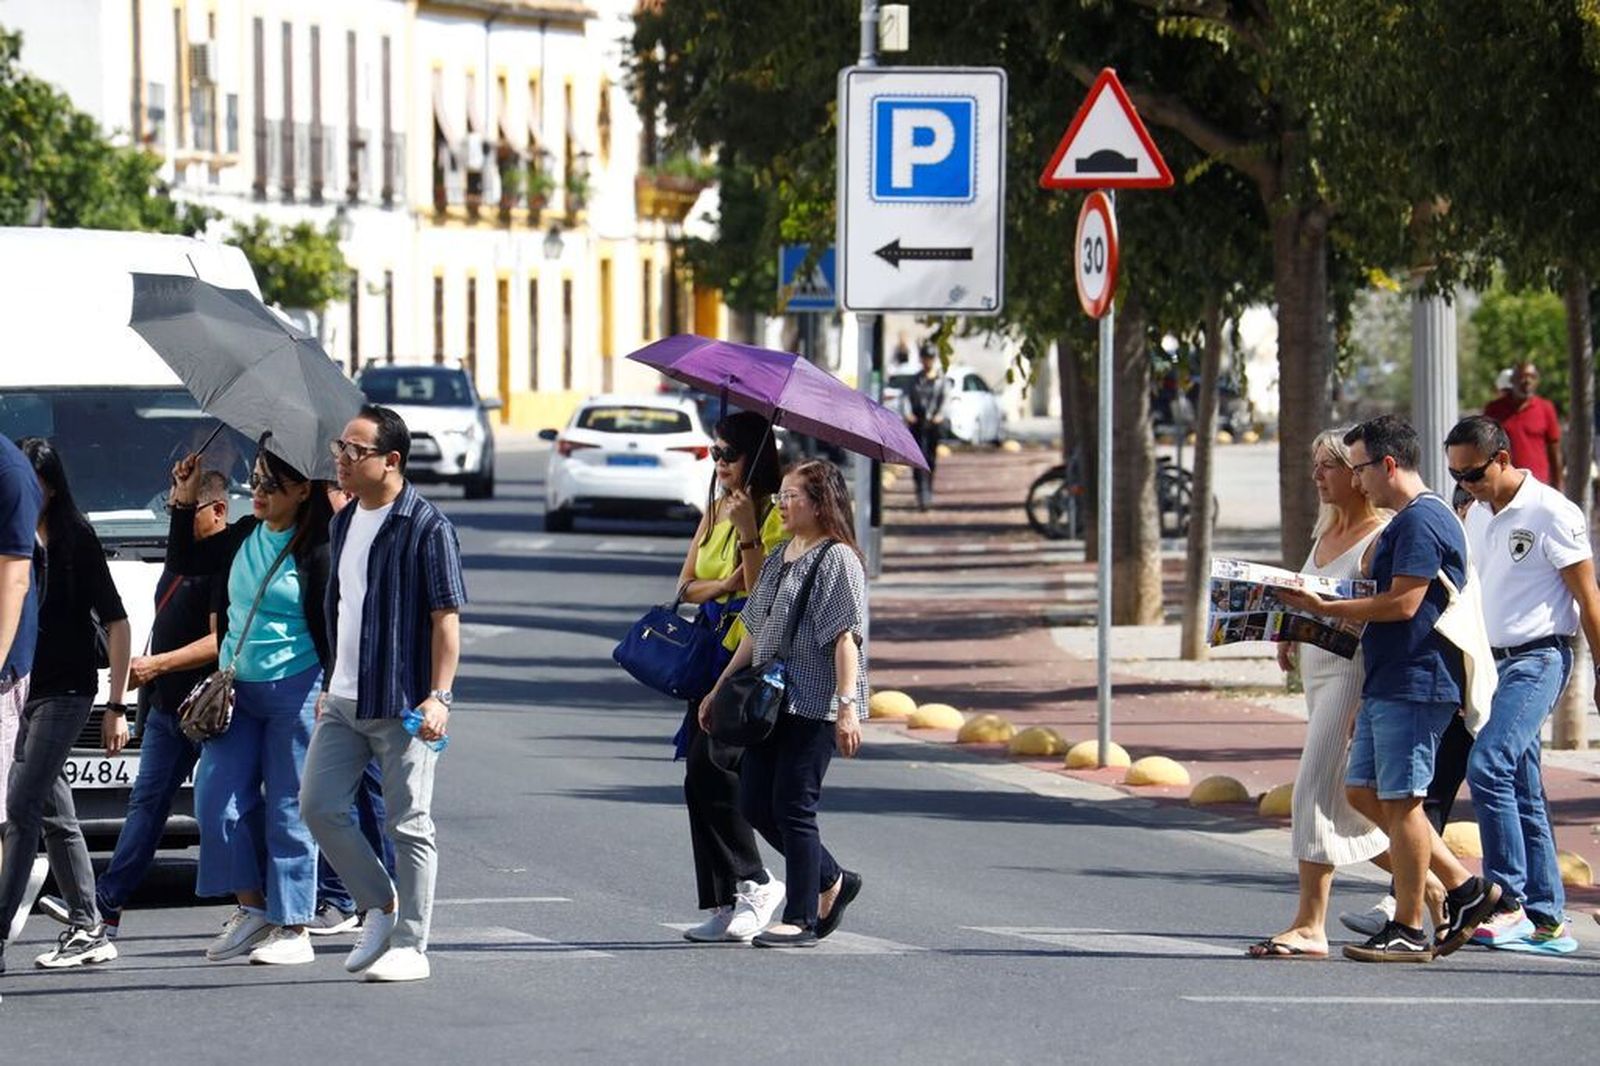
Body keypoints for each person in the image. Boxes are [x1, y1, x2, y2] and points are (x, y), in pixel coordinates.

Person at [1277, 415, 1502, 962]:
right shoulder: (1408, 521)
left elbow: (1404, 604)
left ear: (1389, 465)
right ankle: (1464, 889)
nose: (1357, 480)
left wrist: (1327, 608)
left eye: (1359, 469)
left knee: (1401, 802)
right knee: (1361, 794)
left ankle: (1407, 925)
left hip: (1416, 681)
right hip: (1387, 679)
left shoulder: (1421, 521)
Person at [300, 405, 466, 983]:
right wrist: (330, 683)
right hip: (344, 698)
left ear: (391, 461)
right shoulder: (344, 521)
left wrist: (440, 696)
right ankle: (379, 903)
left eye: (354, 450)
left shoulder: (427, 526)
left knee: (409, 823)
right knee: (318, 807)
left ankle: (412, 945)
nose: (341, 459)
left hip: (402, 702)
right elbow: (341, 609)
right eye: (339, 448)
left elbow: (446, 619)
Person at [33, 473, 227, 941]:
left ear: (218, 511)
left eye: (185, 510)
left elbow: (222, 638)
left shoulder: (222, 563)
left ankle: (261, 903)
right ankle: (107, 905)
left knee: (226, 807)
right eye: (173, 508)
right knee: (146, 803)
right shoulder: (179, 558)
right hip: (164, 707)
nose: (176, 519)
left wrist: (157, 664)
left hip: (206, 709)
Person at [167, 439, 334, 965]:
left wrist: (332, 686)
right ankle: (253, 907)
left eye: (271, 484)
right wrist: (184, 498)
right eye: (255, 479)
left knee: (288, 808)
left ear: (303, 490)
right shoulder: (243, 533)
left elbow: (336, 623)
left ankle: (294, 926)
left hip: (298, 688)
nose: (257, 491)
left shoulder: (320, 548)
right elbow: (186, 559)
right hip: (236, 689)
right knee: (214, 799)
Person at [701, 459, 868, 949]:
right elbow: (754, 630)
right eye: (781, 496)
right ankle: (832, 879)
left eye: (792, 496)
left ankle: (802, 918)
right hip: (770, 701)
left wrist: (846, 706)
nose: (782, 504)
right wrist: (719, 686)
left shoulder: (838, 559)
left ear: (820, 504)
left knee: (795, 808)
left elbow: (845, 638)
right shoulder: (779, 555)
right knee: (755, 802)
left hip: (814, 703)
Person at [1448, 415, 1597, 954]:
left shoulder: (1552, 512)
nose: (1465, 485)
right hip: (1490, 664)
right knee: (1524, 788)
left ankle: (1505, 901)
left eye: (1473, 474)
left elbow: (1589, 598)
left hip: (1538, 659)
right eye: (1456, 476)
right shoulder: (1476, 514)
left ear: (1504, 459)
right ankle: (1548, 918)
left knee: (1489, 765)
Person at [1249, 430, 1390, 958]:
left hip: (1352, 677)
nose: (1316, 477)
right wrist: (1289, 630)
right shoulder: (1327, 530)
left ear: (1356, 475)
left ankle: (1310, 926)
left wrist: (1367, 698)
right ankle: (1438, 886)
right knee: (1346, 811)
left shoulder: (1380, 537)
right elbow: (1316, 599)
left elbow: (1383, 618)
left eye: (1326, 467)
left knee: (1310, 791)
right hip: (1318, 674)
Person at [0, 439, 130, 971]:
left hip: (67, 691)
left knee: (21, 806)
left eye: (33, 485)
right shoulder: (14, 537)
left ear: (50, 487)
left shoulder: (76, 538)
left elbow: (117, 621)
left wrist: (117, 705)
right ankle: (88, 925)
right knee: (55, 812)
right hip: (25, 690)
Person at [674, 412, 787, 943]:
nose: (719, 463)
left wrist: (747, 535)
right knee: (695, 778)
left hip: (747, 651)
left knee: (714, 766)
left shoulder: (773, 514)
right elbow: (684, 587)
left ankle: (757, 881)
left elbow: (763, 591)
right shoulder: (715, 508)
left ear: (756, 458)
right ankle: (723, 901)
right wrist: (725, 584)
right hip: (707, 649)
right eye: (714, 453)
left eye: (729, 455)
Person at [307, 483, 396, 937]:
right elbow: (332, 620)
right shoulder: (338, 533)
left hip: (380, 692)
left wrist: (436, 695)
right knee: (324, 804)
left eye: (341, 489)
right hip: (341, 689)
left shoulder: (394, 531)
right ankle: (355, 897)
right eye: (330, 488)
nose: (335, 497)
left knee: (376, 802)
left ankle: (376, 900)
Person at [1484, 361, 1562, 490]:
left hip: (1538, 486)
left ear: (1537, 381)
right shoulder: (1493, 410)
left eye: (1532, 377)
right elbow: (1484, 448)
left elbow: (1554, 451)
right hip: (1504, 485)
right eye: (1522, 377)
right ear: (1512, 380)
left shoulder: (1546, 408)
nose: (1527, 381)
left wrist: (1558, 486)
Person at [900, 343, 949, 511]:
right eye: (925, 358)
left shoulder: (941, 380)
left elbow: (945, 400)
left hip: (933, 425)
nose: (928, 362)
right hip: (917, 423)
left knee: (930, 459)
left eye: (931, 358)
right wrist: (908, 414)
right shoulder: (915, 379)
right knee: (917, 460)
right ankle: (921, 493)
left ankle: (928, 491)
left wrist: (939, 415)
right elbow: (905, 398)